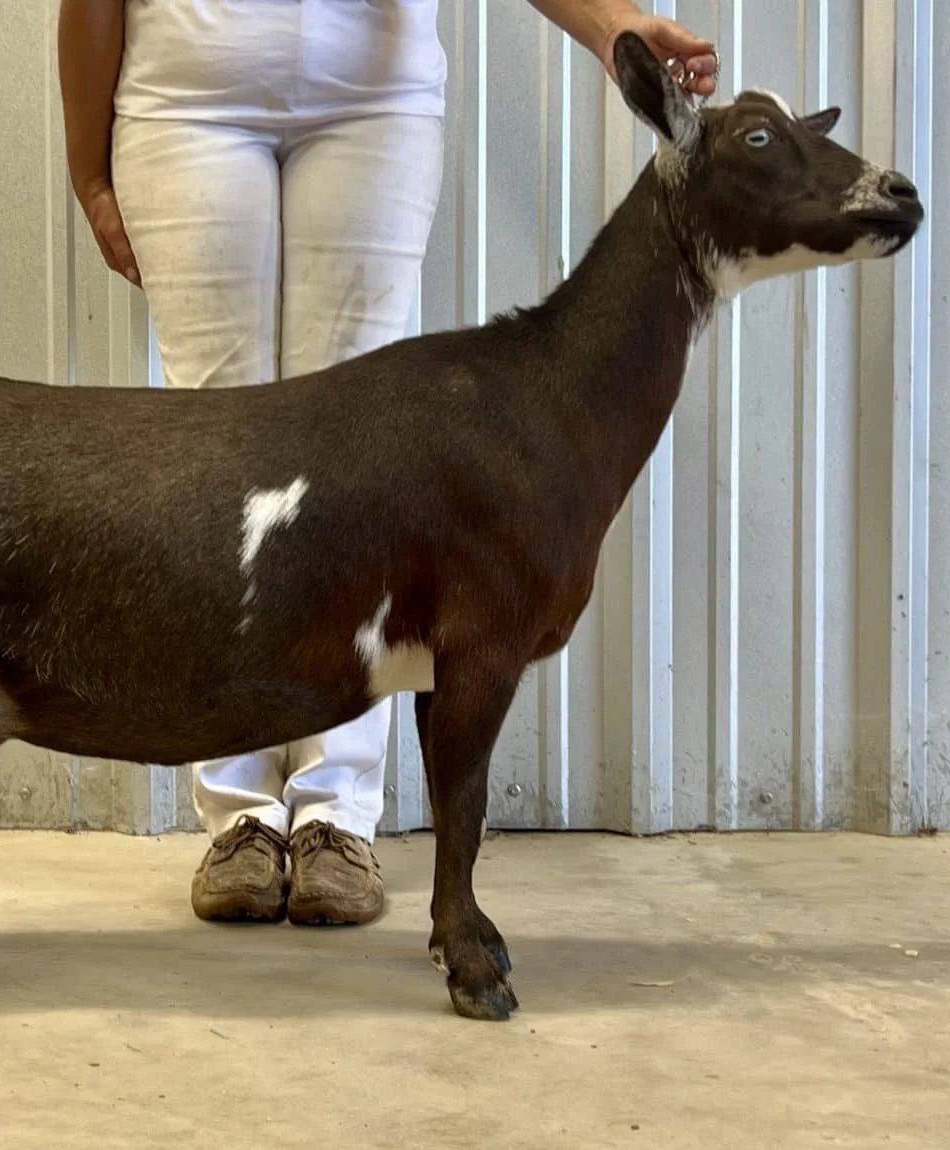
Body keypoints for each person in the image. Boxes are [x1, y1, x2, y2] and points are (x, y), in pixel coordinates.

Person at [58, 0, 715, 927]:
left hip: (371, 107)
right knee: (213, 451)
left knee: (360, 470)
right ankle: (239, 815)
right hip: (185, 102)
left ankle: (336, 814)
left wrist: (612, 28)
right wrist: (88, 169)